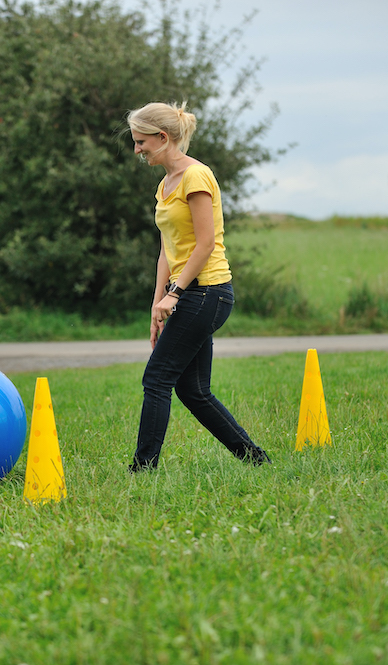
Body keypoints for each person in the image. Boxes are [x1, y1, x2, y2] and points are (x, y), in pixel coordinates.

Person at [127, 101, 271, 472]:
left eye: (142, 142)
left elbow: (205, 244)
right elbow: (168, 248)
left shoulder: (196, 177)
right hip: (188, 292)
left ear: (163, 137)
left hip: (208, 291)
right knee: (193, 390)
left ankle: (143, 469)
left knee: (157, 378)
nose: (137, 149)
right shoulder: (165, 185)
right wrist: (158, 302)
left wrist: (175, 293)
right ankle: (255, 460)